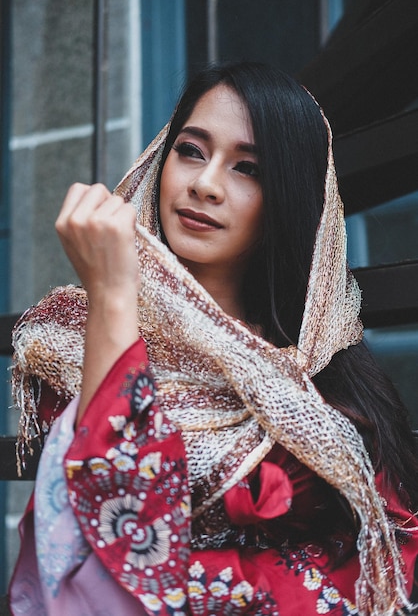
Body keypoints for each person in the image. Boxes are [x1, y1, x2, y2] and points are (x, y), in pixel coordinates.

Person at [7, 62, 418, 616]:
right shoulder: (74, 342)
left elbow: (380, 555)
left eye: (248, 168)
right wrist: (111, 294)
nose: (204, 183)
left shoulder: (323, 372)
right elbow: (117, 524)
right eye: (191, 151)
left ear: (288, 200)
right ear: (160, 159)